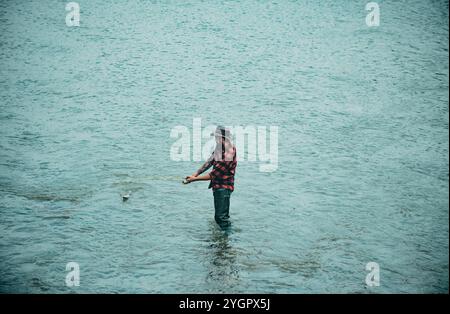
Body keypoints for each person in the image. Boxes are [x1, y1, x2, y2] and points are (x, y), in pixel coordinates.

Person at [184, 126, 237, 229]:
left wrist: (194, 180)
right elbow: (210, 161)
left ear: (223, 138)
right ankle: (223, 241)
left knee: (221, 218)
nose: (216, 139)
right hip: (218, 186)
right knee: (220, 217)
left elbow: (213, 175)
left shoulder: (228, 153)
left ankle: (226, 241)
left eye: (217, 137)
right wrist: (196, 173)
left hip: (224, 187)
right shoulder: (220, 147)